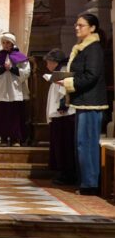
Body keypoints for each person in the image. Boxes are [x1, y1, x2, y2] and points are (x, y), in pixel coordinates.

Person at [59, 13, 108, 196]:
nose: (77, 28)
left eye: (81, 25)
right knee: (82, 143)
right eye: (76, 25)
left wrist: (68, 83)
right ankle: (86, 182)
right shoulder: (84, 48)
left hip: (91, 103)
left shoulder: (93, 49)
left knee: (87, 144)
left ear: (92, 28)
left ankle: (91, 184)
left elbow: (91, 75)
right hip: (83, 102)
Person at [0, 32, 31, 146]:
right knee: (2, 115)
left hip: (14, 89)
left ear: (12, 43)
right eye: (3, 42)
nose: (5, 45)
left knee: (14, 115)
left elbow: (26, 72)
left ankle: (15, 139)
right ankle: (3, 138)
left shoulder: (20, 57)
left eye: (7, 42)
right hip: (1, 89)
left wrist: (12, 68)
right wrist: (3, 68)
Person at [44, 48, 76, 186]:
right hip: (60, 116)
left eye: (48, 62)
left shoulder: (62, 73)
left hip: (63, 115)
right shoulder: (59, 72)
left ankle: (67, 174)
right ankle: (64, 173)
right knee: (61, 145)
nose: (47, 65)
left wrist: (63, 105)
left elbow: (64, 91)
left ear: (54, 62)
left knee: (64, 146)